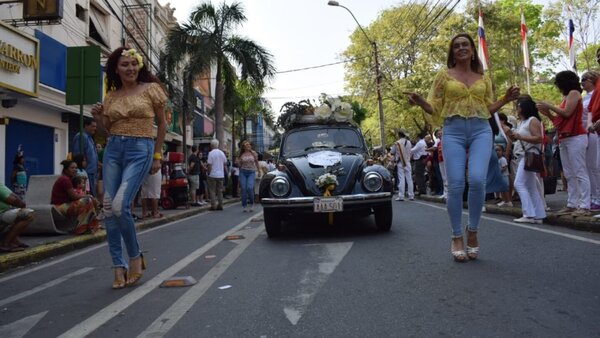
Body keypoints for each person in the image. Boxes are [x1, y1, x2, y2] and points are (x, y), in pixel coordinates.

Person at [404, 33, 519, 262]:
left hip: (480, 130)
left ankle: (473, 232)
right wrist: (419, 101)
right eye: (456, 46)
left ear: (472, 49)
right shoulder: (443, 76)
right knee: (455, 184)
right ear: (452, 52)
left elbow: (488, 107)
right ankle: (456, 235)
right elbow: (433, 106)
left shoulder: (482, 78)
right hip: (453, 131)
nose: (461, 48)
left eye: (465, 44)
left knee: (477, 180)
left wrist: (505, 99)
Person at [90, 47, 167, 289]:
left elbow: (163, 124)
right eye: (125, 65)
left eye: (134, 63)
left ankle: (135, 257)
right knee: (108, 208)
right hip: (113, 149)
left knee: (119, 205)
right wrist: (99, 117)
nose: (130, 68)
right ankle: (117, 265)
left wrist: (157, 155)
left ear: (140, 65)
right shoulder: (111, 96)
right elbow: (104, 133)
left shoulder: (152, 90)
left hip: (140, 149)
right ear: (116, 69)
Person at [537, 70, 591, 216]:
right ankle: (572, 204)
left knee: (579, 171)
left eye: (558, 83)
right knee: (568, 173)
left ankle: (585, 205)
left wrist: (550, 107)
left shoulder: (574, 93)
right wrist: (547, 113)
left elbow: (567, 113)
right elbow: (558, 122)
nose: (557, 86)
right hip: (564, 137)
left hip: (576, 137)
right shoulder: (566, 97)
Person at [507, 97, 546, 223]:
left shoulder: (532, 120)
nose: (517, 109)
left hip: (529, 154)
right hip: (523, 154)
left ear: (524, 108)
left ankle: (528, 214)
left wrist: (520, 136)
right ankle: (539, 214)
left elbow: (539, 138)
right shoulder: (522, 122)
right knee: (531, 186)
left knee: (519, 183)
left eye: (518, 106)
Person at [51, 160, 100, 235]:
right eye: (72, 168)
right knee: (87, 200)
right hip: (59, 206)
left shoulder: (69, 179)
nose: (75, 170)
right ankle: (82, 228)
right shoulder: (65, 180)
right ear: (66, 169)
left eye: (76, 168)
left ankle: (89, 226)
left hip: (66, 204)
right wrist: (88, 196)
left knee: (90, 200)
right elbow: (74, 196)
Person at [581, 71, 600, 210]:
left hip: (594, 132)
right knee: (588, 166)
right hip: (586, 133)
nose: (582, 82)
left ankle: (597, 197)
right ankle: (593, 196)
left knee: (594, 166)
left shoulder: (596, 93)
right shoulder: (585, 97)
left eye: (584, 79)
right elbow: (588, 114)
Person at [0, 183, 33, 253]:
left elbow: (12, 196)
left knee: (17, 214)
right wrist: (22, 205)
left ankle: (15, 241)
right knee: (29, 214)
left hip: (4, 212)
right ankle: (6, 244)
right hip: (1, 214)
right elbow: (13, 200)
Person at [72, 118, 99, 196]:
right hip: (86, 173)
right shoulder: (81, 137)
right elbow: (77, 155)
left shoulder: (89, 138)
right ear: (86, 126)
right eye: (93, 126)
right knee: (88, 195)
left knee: (93, 194)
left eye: (95, 127)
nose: (95, 129)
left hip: (92, 172)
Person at [389, 129, 414, 201]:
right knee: (409, 179)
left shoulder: (397, 143)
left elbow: (392, 152)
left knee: (401, 179)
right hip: (408, 162)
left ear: (399, 135)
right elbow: (410, 151)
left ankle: (401, 196)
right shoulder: (409, 142)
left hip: (400, 163)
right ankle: (411, 195)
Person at [237, 140, 259, 212]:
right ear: (243, 147)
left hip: (251, 172)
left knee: (249, 187)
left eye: (249, 145)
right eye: (246, 145)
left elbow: (256, 162)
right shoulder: (241, 155)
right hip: (243, 172)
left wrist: (259, 171)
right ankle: (244, 205)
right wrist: (238, 163)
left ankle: (252, 203)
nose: (248, 146)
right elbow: (239, 165)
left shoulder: (254, 153)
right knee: (243, 188)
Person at [206, 139, 228, 211]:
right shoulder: (222, 153)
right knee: (220, 190)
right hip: (221, 174)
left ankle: (213, 205)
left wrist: (209, 172)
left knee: (212, 190)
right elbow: (225, 163)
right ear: (218, 145)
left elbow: (209, 164)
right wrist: (226, 172)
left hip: (213, 174)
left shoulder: (211, 153)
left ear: (211, 145)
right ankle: (220, 204)